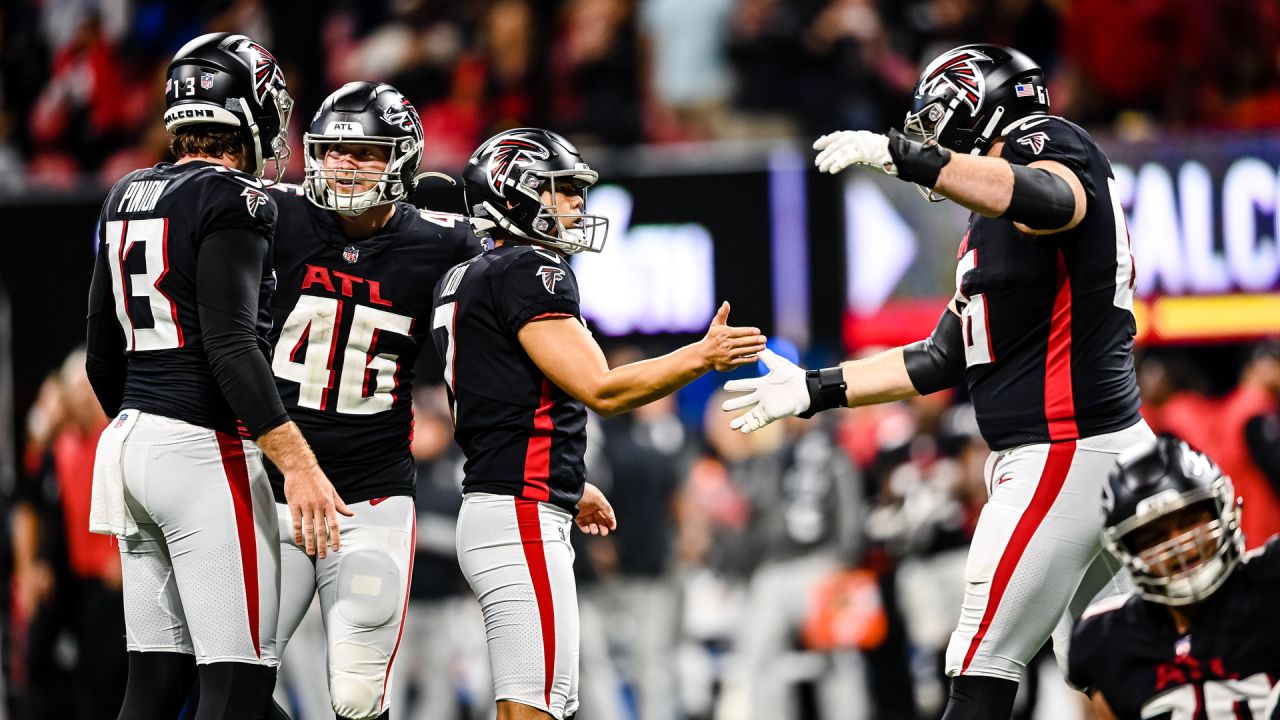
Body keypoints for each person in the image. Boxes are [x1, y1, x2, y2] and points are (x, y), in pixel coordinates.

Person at [721, 44, 1154, 720]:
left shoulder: (1046, 144)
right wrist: (813, 388)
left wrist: (912, 157)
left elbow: (1053, 199)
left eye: (935, 122)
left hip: (1064, 447)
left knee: (980, 664)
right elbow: (941, 357)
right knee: (1116, 668)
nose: (928, 137)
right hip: (1091, 448)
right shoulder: (989, 227)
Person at [430, 127, 766, 720]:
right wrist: (702, 356)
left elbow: (499, 406)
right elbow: (604, 389)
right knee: (535, 708)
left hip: (506, 503)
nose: (578, 205)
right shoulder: (529, 268)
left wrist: (566, 479)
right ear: (516, 193)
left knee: (538, 703)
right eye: (562, 191)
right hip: (519, 513)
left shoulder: (467, 276)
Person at [84, 32, 348, 720]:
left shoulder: (123, 193)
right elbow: (232, 347)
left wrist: (149, 421)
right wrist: (298, 464)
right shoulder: (238, 199)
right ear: (250, 109)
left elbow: (100, 355)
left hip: (130, 446)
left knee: (155, 685)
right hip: (202, 450)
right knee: (235, 685)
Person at [265, 80, 479, 720]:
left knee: (358, 692)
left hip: (371, 492)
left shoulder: (446, 245)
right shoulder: (272, 216)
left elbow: (488, 364)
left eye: (366, 153)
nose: (344, 166)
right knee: (232, 678)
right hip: (268, 488)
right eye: (332, 151)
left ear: (403, 159)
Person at [1068, 436, 1280, 720]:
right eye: (1155, 536)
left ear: (1223, 510)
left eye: (1190, 521)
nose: (1180, 546)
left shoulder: (1271, 582)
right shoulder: (1107, 638)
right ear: (1128, 549)